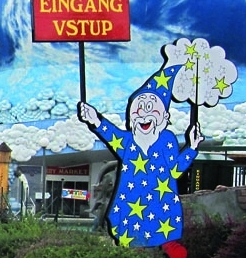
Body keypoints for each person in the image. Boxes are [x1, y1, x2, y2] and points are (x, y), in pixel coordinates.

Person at [78, 65, 202, 258]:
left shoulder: (167, 140)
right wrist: (95, 120)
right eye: (139, 109)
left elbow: (175, 170)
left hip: (161, 202)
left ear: (164, 117)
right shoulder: (128, 141)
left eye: (151, 108)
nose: (144, 114)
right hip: (130, 203)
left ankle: (167, 246)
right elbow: (111, 134)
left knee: (164, 235)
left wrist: (192, 148)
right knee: (130, 239)